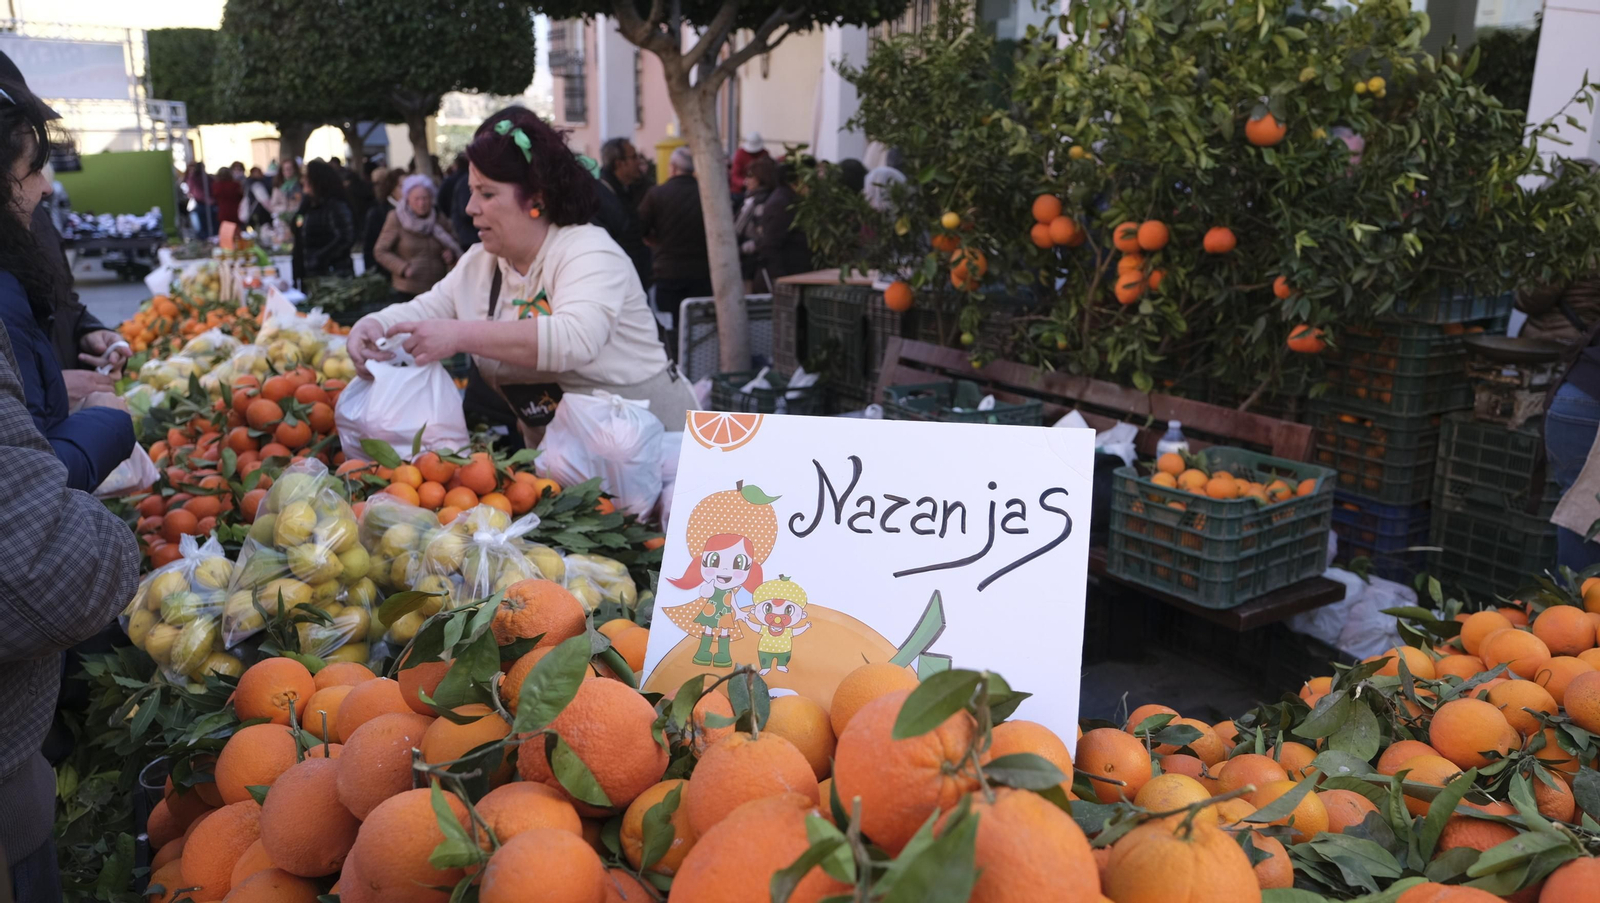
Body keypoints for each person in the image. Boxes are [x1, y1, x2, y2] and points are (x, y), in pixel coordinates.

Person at [346, 106, 696, 447]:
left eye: (487, 193)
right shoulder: (479, 263)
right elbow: (429, 308)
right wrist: (376, 324)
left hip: (658, 456)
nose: (470, 208)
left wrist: (459, 335)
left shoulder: (588, 251)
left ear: (537, 199)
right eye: (472, 192)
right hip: (566, 465)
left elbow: (574, 338)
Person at [0, 85, 134, 493]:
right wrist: (106, 419)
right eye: (34, 169)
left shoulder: (23, 233)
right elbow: (33, 487)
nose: (46, 187)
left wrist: (84, 328)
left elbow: (60, 296)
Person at [638, 146, 712, 356]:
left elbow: (639, 227)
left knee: (671, 324)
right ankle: (698, 360)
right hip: (701, 272)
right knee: (698, 324)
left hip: (667, 273)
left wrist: (653, 240)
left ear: (672, 168)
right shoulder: (706, 193)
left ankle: (675, 360)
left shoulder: (656, 194)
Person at [374, 174, 462, 301]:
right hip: (408, 289)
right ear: (408, 199)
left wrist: (450, 256)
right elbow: (380, 251)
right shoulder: (396, 218)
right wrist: (402, 268)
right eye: (416, 199)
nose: (421, 204)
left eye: (425, 198)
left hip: (437, 289)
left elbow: (453, 243)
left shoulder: (438, 218)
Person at [744, 157, 812, 289]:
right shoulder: (782, 203)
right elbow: (770, 246)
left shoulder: (788, 199)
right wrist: (782, 280)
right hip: (781, 281)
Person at [595, 137, 650, 289]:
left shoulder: (631, 190)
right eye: (633, 157)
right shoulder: (602, 197)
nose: (639, 162)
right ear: (619, 163)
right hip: (619, 281)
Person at [292, 159, 355, 281]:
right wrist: (301, 212)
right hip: (310, 274)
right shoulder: (308, 206)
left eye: (306, 178)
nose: (302, 181)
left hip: (332, 274)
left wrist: (320, 257)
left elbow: (345, 238)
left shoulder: (335, 206)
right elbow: (298, 225)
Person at [363, 167, 401, 277]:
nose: (378, 187)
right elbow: (370, 245)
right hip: (386, 270)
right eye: (375, 184)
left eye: (380, 183)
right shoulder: (377, 212)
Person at [269, 158, 303, 225]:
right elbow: (273, 205)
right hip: (283, 220)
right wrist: (284, 209)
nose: (288, 171)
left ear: (295, 169)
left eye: (290, 168)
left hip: (299, 217)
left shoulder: (301, 184)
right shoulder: (278, 186)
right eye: (285, 169)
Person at [239, 165, 273, 230]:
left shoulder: (248, 183)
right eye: (259, 172)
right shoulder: (257, 185)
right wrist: (274, 212)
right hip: (261, 215)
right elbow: (265, 201)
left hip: (254, 214)